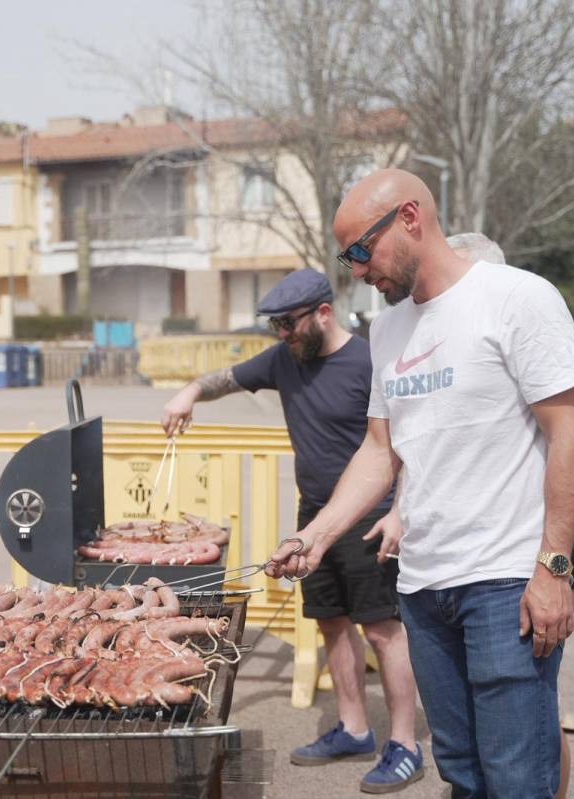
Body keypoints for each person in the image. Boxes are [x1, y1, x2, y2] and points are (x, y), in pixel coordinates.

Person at [267, 169, 574, 799]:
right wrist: (317, 536)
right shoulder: (387, 331)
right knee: (464, 776)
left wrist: (553, 567)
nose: (356, 270)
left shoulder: (518, 298)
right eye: (346, 257)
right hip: (423, 588)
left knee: (518, 779)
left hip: (504, 584)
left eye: (362, 250)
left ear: (410, 219)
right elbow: (381, 450)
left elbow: (570, 435)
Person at [162, 269, 424, 794]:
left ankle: (405, 744)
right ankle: (353, 728)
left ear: (323, 313)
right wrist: (189, 392)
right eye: (276, 324)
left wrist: (402, 511)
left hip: (369, 514)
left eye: (288, 322)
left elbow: (408, 442)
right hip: (313, 515)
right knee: (330, 621)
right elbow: (229, 379)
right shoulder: (285, 359)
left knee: (381, 630)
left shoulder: (369, 361)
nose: (281, 333)